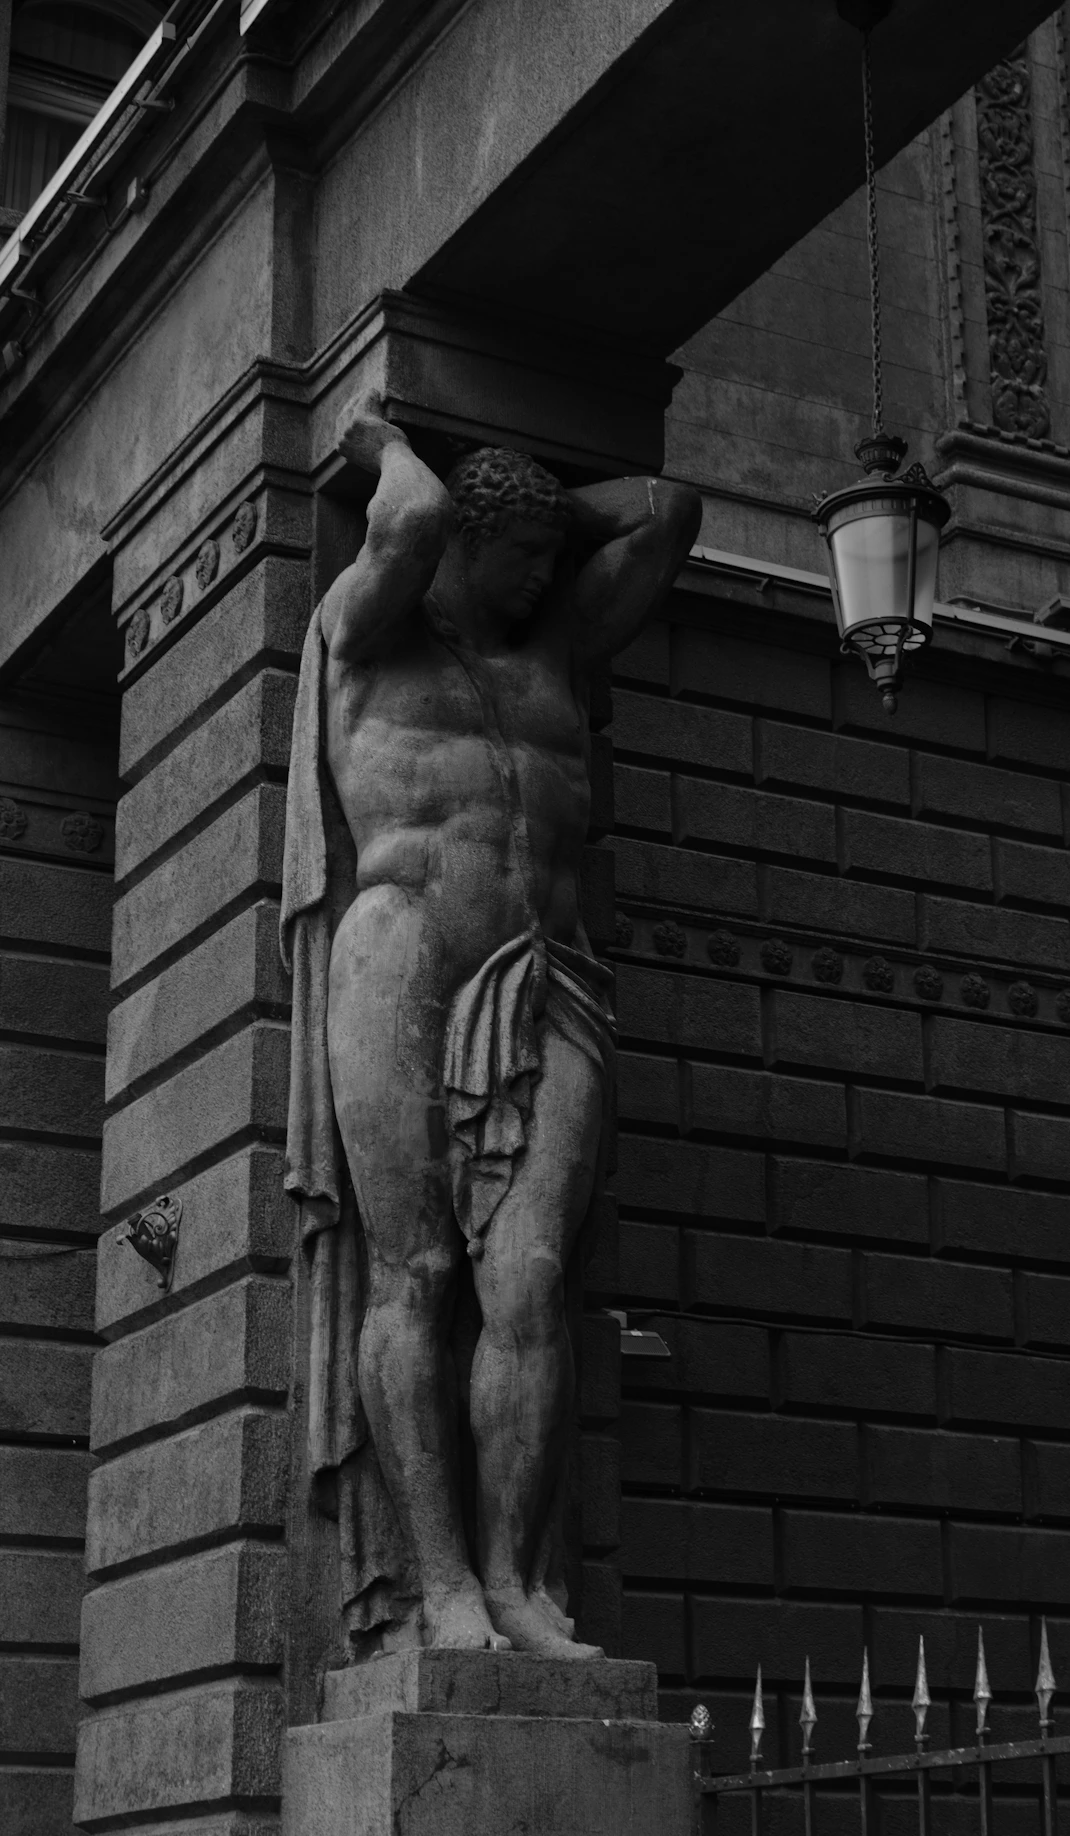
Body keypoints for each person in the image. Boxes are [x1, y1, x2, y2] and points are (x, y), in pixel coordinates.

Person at [282, 388, 701, 1660]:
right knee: (413, 1272)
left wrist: (532, 504)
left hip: (547, 970)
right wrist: (404, 457)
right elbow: (402, 516)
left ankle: (516, 1583)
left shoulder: (556, 650)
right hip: (401, 951)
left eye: (545, 565)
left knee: (530, 1286)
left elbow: (671, 513)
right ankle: (442, 1585)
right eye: (519, 562)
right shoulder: (363, 626)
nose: (542, 583)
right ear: (460, 543)